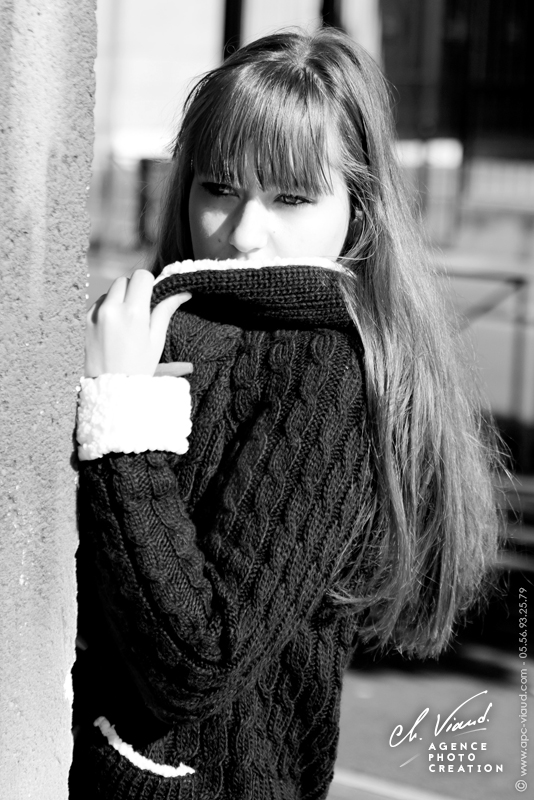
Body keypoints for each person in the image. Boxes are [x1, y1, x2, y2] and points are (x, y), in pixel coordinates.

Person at [71, 27, 504, 800]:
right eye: (219, 187)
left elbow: (198, 663)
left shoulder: (322, 368)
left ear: (360, 211)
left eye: (293, 198)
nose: (243, 233)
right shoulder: (183, 323)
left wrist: (123, 421)